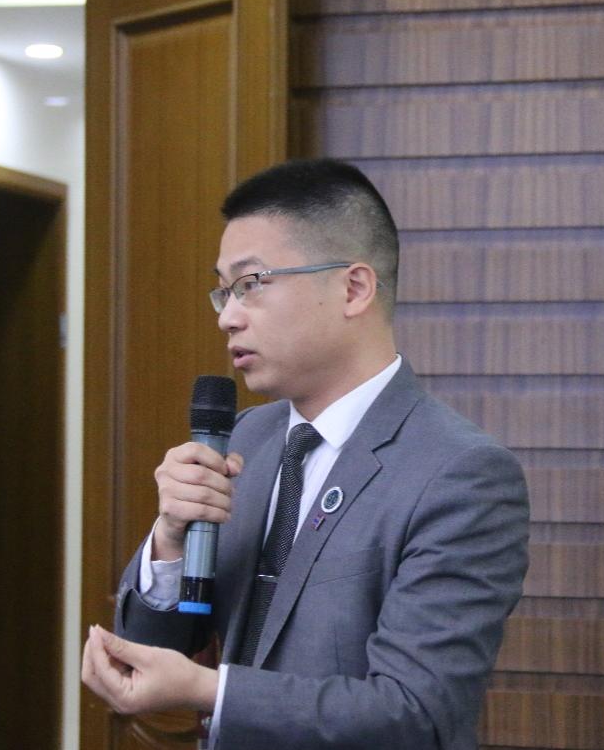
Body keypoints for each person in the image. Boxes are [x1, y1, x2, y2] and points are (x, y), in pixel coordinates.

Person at [82, 158, 530, 749]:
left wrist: (212, 691)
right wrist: (169, 539)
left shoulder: (460, 473)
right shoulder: (246, 439)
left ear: (353, 288)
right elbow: (157, 651)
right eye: (223, 291)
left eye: (251, 284)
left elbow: (415, 713)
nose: (228, 317)